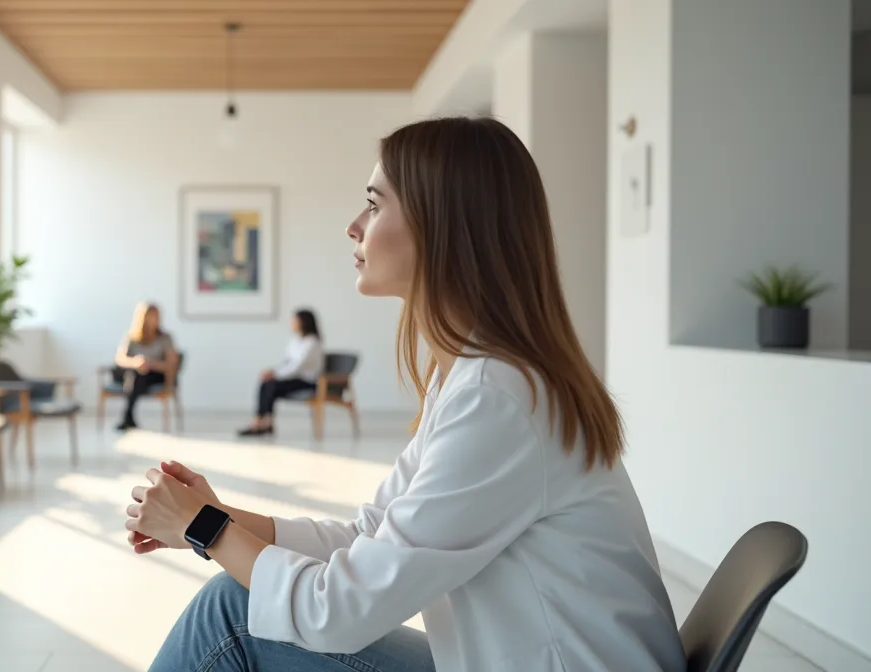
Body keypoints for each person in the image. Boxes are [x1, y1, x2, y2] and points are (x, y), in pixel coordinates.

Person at [124, 117, 686, 672]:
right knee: (236, 602)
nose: (354, 226)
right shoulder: (473, 377)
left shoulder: (498, 398)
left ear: (443, 227)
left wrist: (205, 529)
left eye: (374, 204)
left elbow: (336, 612)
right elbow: (366, 536)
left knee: (231, 614)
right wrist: (220, 516)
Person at [237, 309, 326, 437]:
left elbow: (297, 367)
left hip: (308, 382)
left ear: (304, 322)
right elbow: (287, 363)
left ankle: (263, 423)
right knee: (266, 383)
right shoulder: (295, 341)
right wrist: (273, 372)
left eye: (295, 320)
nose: (292, 323)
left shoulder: (312, 342)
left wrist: (275, 374)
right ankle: (263, 422)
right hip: (293, 379)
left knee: (271, 384)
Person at [112, 302, 177, 431]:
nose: (155, 320)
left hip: (155, 374)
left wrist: (151, 363)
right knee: (135, 374)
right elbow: (120, 359)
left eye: (157, 316)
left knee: (137, 375)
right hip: (133, 373)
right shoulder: (131, 337)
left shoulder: (165, 338)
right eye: (152, 316)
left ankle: (127, 417)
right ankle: (128, 418)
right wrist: (136, 362)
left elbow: (171, 364)